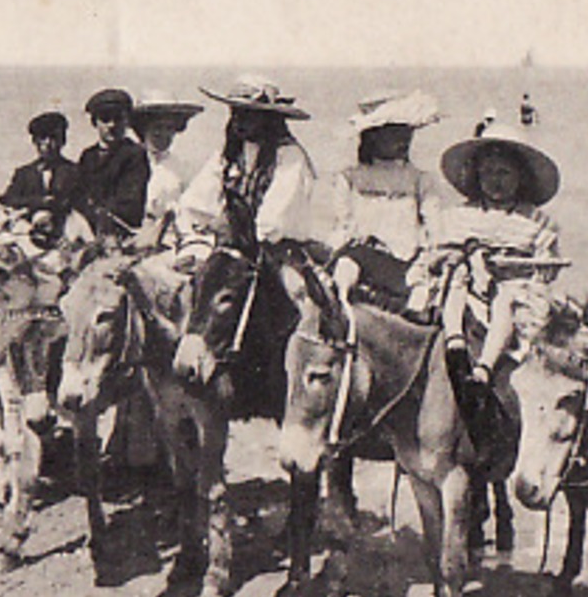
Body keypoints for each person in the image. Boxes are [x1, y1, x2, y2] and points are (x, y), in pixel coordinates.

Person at [420, 111, 563, 402]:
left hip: (516, 291)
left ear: (520, 177)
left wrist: (544, 268)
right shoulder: (459, 216)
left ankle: (484, 368)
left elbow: (547, 263)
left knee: (505, 302)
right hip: (465, 288)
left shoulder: (536, 221)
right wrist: (454, 257)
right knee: (454, 284)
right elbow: (434, 253)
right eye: (487, 173)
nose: (494, 181)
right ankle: (455, 343)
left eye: (504, 173)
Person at [329, 89, 441, 313]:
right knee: (341, 277)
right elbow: (342, 223)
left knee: (421, 300)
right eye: (394, 132)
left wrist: (429, 259)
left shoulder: (420, 179)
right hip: (362, 256)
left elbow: (435, 227)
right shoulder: (350, 178)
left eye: (407, 132)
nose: (404, 139)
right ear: (372, 135)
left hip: (406, 263)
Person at [177, 75, 316, 251]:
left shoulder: (290, 156)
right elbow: (197, 201)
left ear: (268, 118)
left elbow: (277, 217)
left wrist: (239, 232)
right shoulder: (229, 155)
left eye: (249, 115)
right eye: (235, 113)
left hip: (275, 249)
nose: (239, 121)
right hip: (230, 243)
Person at [74, 88, 151, 241]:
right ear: (94, 122)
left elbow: (130, 202)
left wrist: (98, 213)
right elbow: (77, 193)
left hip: (120, 233)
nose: (112, 125)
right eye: (105, 119)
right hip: (85, 230)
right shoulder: (87, 156)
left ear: (127, 122)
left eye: (118, 119)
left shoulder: (134, 154)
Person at [0, 110, 82, 249]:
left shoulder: (75, 171)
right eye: (43, 138)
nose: (48, 144)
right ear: (34, 141)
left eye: (54, 138)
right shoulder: (24, 173)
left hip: (65, 233)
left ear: (63, 141)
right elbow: (6, 198)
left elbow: (80, 202)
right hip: (30, 236)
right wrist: (38, 202)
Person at [130, 90, 203, 227]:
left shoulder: (181, 169)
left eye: (169, 128)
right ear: (143, 127)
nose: (164, 134)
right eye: (157, 127)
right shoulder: (128, 162)